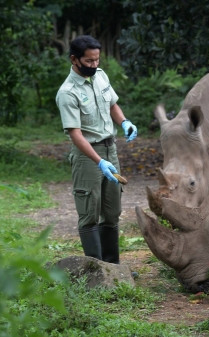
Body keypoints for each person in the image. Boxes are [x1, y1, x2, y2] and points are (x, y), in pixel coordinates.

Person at [56, 35, 137, 264]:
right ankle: (96, 271)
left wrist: (124, 122)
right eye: (89, 61)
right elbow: (75, 134)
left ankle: (113, 268)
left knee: (112, 213)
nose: (94, 65)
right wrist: (98, 161)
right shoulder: (68, 92)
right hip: (87, 156)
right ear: (74, 59)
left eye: (97, 60)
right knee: (89, 214)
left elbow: (112, 103)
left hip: (111, 150)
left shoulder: (100, 76)